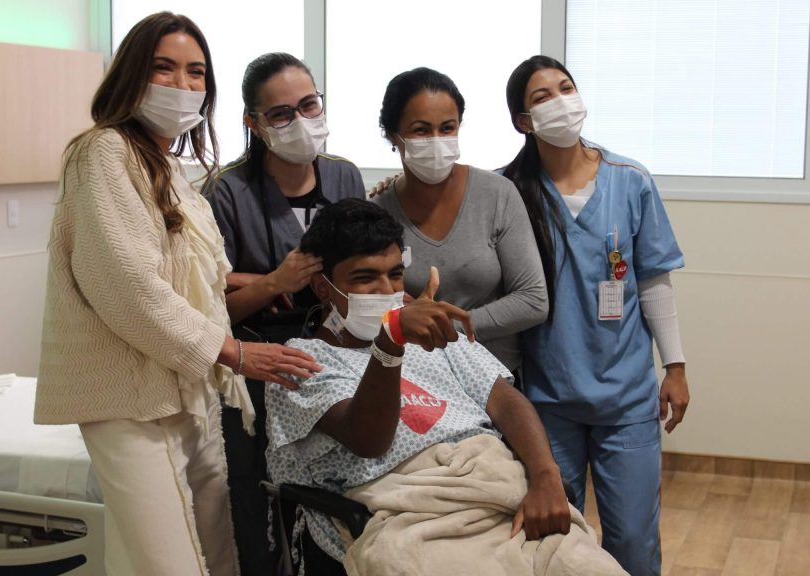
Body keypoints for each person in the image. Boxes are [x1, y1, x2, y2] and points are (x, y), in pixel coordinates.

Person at [33, 13, 320, 575]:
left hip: (185, 389)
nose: (182, 86)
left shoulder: (165, 165)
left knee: (213, 548)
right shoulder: (103, 154)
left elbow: (185, 271)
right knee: (170, 563)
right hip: (131, 398)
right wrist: (236, 352)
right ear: (131, 74)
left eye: (196, 73)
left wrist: (234, 291)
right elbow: (129, 288)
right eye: (163, 69)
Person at [265, 199, 626, 576]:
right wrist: (390, 343)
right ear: (323, 288)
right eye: (364, 278)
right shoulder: (298, 363)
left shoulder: (435, 336)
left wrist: (546, 477)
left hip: (498, 488)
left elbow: (505, 401)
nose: (386, 290)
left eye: (395, 275)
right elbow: (368, 439)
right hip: (410, 513)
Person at [501, 55, 690, 576]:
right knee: (554, 543)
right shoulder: (508, 191)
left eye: (567, 88)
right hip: (546, 401)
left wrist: (674, 367)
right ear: (523, 120)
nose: (561, 102)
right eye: (543, 96)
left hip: (625, 398)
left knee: (632, 541)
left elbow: (653, 281)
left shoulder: (630, 181)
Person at [206, 52, 364, 575]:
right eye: (280, 114)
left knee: (332, 485)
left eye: (308, 104)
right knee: (255, 493)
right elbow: (210, 311)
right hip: (254, 357)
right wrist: (275, 282)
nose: (299, 121)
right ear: (253, 123)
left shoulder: (344, 178)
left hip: (332, 354)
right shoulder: (228, 192)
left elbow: (361, 273)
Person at [371, 67, 547, 374]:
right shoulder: (376, 213)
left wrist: (441, 324)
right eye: (421, 130)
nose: (437, 140)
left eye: (448, 128)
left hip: (495, 381)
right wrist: (400, 318)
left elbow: (533, 300)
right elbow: (366, 307)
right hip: (415, 384)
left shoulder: (496, 195)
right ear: (392, 135)